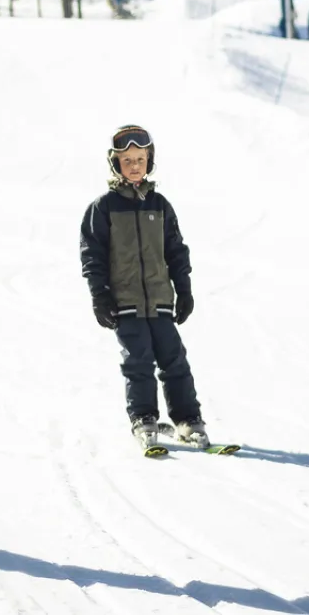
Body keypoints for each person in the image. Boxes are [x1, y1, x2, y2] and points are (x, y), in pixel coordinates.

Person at [79, 124, 212, 451]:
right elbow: (92, 255)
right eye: (127, 160)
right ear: (116, 164)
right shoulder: (104, 208)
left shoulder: (160, 206)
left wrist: (185, 290)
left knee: (174, 361)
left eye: (140, 158)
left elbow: (176, 251)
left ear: (149, 161)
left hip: (161, 302)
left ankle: (188, 420)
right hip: (124, 304)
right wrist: (100, 296)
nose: (135, 165)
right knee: (137, 361)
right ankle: (144, 418)